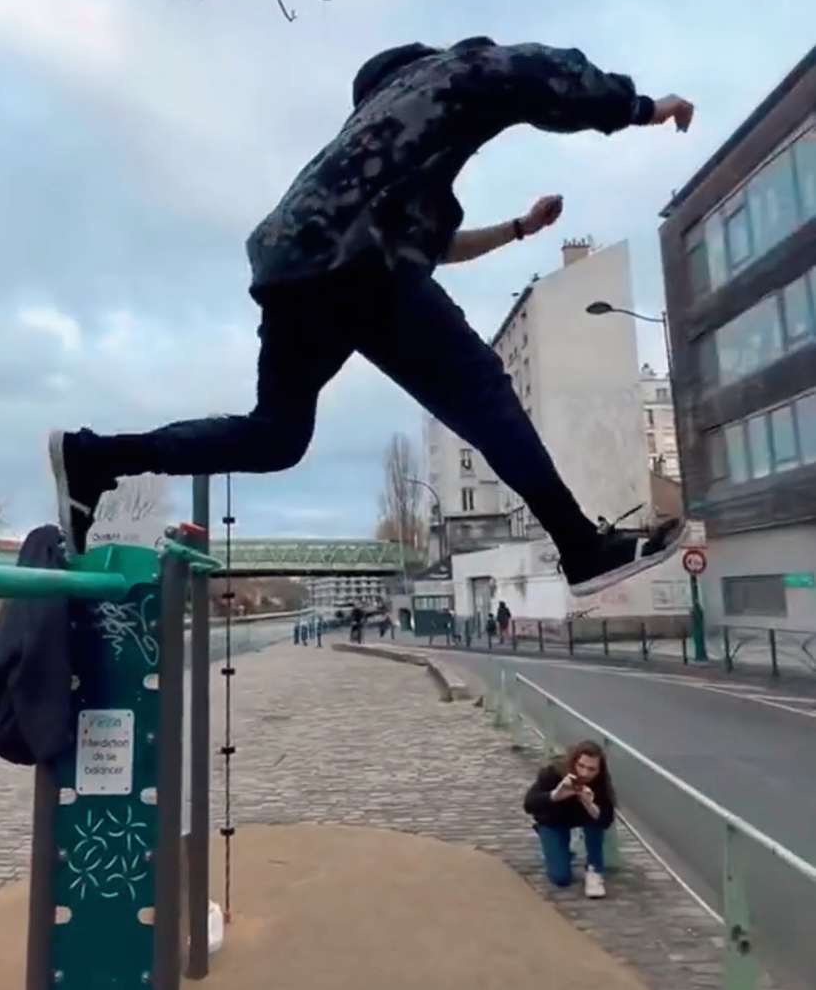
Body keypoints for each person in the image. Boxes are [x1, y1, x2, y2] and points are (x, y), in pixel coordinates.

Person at [48, 38, 694, 595]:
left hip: (296, 271)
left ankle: (95, 457)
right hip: (360, 270)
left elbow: (437, 248)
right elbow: (531, 69)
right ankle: (582, 549)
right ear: (412, 69)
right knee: (483, 392)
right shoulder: (443, 74)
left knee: (276, 436)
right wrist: (638, 108)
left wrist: (520, 228)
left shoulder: (362, 156)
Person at [523, 739, 615, 898]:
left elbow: (606, 820)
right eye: (581, 766)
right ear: (573, 763)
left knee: (595, 822)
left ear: (599, 770)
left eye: (592, 769)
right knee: (560, 878)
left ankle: (594, 870)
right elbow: (529, 805)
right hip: (554, 819)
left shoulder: (600, 782)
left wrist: (590, 804)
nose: (585, 773)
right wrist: (555, 795)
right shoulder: (552, 773)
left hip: (584, 818)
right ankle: (556, 846)